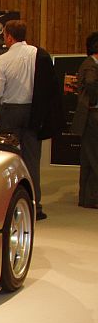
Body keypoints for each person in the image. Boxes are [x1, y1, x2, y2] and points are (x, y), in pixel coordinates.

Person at [0, 20, 64, 220]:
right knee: (32, 160)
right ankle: (35, 206)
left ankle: (9, 205)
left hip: (10, 112)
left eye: (4, 35)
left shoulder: (2, 61)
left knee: (9, 161)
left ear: (9, 36)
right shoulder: (38, 54)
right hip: (33, 112)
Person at [72, 32, 98, 209]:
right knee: (94, 157)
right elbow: (90, 83)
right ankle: (92, 197)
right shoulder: (91, 66)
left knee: (89, 158)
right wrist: (95, 100)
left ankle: (86, 197)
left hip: (89, 117)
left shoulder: (89, 64)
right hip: (92, 116)